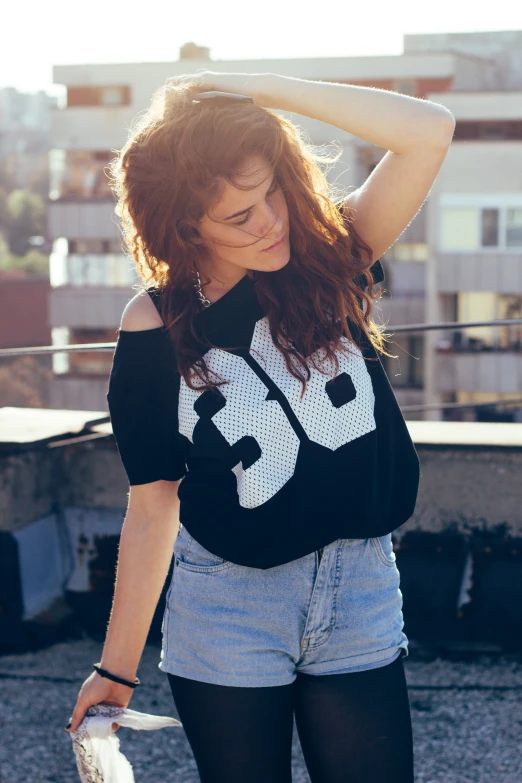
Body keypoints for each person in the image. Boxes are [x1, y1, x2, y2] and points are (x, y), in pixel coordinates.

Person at [65, 71, 455, 782]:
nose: (271, 219)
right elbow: (154, 503)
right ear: (186, 227)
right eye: (239, 215)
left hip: (358, 587)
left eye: (271, 190)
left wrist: (252, 91)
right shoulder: (155, 326)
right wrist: (114, 670)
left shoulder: (332, 258)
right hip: (229, 604)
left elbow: (430, 132)